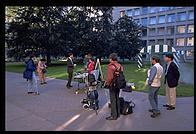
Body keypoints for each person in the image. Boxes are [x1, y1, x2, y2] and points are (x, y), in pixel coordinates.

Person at [105, 53, 123, 120]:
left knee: (113, 100)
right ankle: (118, 113)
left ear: (111, 59)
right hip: (119, 84)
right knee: (117, 98)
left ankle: (114, 115)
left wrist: (107, 83)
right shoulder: (120, 65)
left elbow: (110, 77)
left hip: (112, 85)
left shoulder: (110, 66)